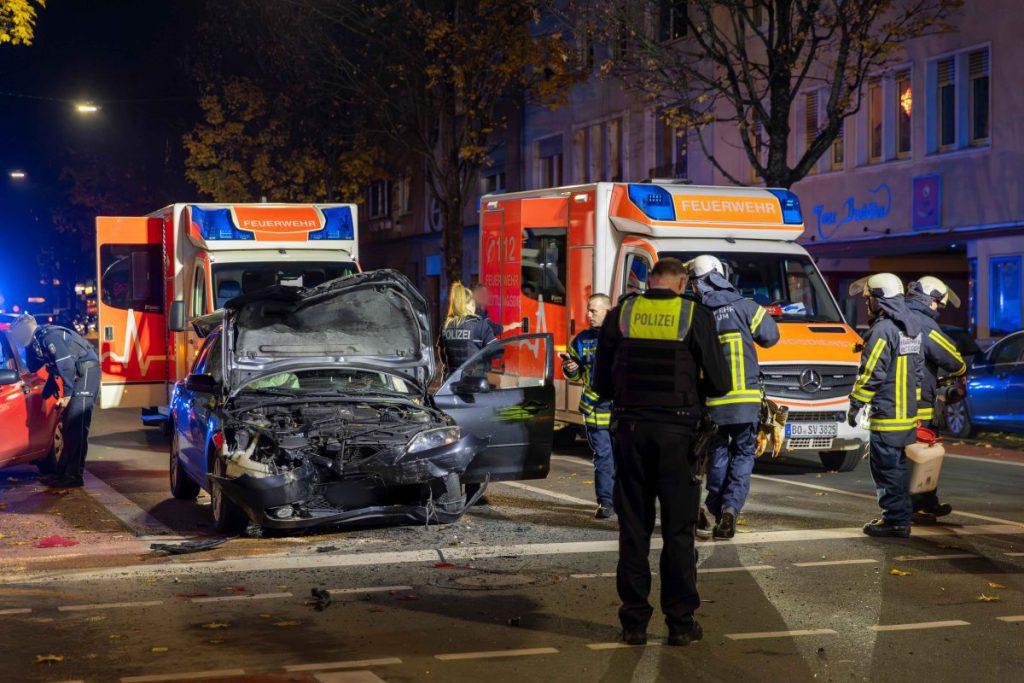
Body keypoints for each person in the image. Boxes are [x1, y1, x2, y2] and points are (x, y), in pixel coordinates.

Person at [592, 258, 731, 647]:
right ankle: (680, 624)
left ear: (648, 280)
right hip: (679, 436)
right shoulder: (694, 314)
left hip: (630, 434)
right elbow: (721, 383)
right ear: (683, 281)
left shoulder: (622, 314)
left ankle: (633, 624)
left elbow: (601, 384)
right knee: (678, 531)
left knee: (633, 529)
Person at [684, 255, 779, 541]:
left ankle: (716, 504)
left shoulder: (695, 313)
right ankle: (730, 510)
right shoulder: (745, 307)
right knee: (743, 454)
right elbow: (771, 337)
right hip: (746, 401)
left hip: (712, 402)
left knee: (718, 453)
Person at [847, 273, 923, 538]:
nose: (868, 304)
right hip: (906, 415)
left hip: (887, 415)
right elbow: (919, 372)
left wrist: (856, 403)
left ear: (880, 300)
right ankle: (900, 516)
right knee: (898, 469)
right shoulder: (912, 328)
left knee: (886, 470)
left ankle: (896, 521)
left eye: (870, 299)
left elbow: (871, 372)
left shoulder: (882, 330)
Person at [10, 313, 100, 488]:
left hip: (85, 373)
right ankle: (63, 473)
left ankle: (74, 476)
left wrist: (67, 394)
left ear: (27, 328)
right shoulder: (36, 340)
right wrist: (28, 346)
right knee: (67, 426)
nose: (18, 339)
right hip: (75, 375)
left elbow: (65, 365)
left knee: (76, 424)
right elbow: (34, 366)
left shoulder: (49, 336)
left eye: (19, 334)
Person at [905, 276, 967, 524]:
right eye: (939, 306)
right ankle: (914, 507)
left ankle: (924, 504)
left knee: (905, 455)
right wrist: (961, 371)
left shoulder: (895, 318)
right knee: (923, 452)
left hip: (894, 400)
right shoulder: (924, 323)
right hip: (918, 402)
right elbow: (950, 355)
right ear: (930, 300)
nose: (939, 311)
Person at [562, 294, 615, 520]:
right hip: (595, 410)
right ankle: (605, 502)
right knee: (603, 457)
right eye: (588, 310)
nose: (588, 315)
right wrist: (571, 366)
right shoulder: (582, 339)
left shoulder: (622, 335)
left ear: (608, 310)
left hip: (620, 410)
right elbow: (573, 374)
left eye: (594, 311)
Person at [439, 282, 497, 378]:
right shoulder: (480, 324)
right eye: (473, 304)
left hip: (450, 382)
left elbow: (442, 353)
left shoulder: (445, 325)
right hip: (474, 382)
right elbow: (496, 351)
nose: (475, 308)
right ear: (467, 305)